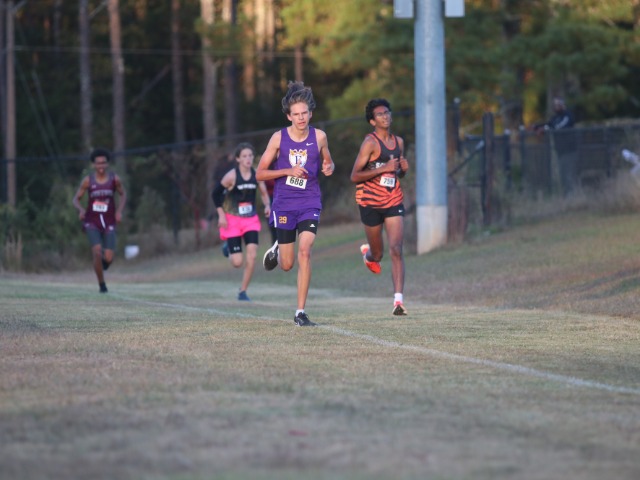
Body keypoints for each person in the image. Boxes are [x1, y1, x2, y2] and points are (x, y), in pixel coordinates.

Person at [256, 81, 335, 327]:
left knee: (305, 251)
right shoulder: (278, 138)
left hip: (310, 200)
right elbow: (260, 173)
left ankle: (300, 312)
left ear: (310, 113)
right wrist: (287, 170)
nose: (301, 118)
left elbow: (328, 161)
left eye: (304, 113)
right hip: (284, 203)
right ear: (289, 116)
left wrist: (329, 166)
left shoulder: (319, 136)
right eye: (296, 114)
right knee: (287, 265)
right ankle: (278, 248)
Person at [350, 98, 409, 316]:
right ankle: (369, 255)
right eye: (380, 114)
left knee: (396, 248)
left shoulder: (399, 142)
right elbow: (354, 176)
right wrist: (382, 168)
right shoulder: (370, 143)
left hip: (393, 199)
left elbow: (397, 172)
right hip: (370, 202)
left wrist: (403, 170)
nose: (385, 116)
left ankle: (398, 301)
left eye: (387, 112)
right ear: (372, 121)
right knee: (379, 254)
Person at [212, 142, 271, 301]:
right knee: (237, 262)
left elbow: (264, 193)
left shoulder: (257, 175)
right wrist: (221, 215)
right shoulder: (231, 176)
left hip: (250, 220)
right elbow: (215, 194)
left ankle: (243, 291)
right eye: (244, 156)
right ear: (238, 159)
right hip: (232, 220)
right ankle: (228, 248)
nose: (248, 159)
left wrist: (267, 206)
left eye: (250, 155)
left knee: (252, 256)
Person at [72, 148, 127, 293]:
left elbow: (123, 194)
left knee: (108, 258)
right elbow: (75, 199)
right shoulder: (88, 181)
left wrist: (119, 211)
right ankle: (102, 285)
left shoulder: (114, 179)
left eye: (103, 163)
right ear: (93, 165)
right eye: (98, 163)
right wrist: (81, 210)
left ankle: (103, 264)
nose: (101, 166)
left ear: (107, 164)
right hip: (92, 221)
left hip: (109, 221)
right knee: (97, 251)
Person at [535, 97, 577, 194]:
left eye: (558, 104)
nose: (556, 107)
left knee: (568, 174)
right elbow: (549, 125)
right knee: (562, 175)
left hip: (569, 151)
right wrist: (537, 127)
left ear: (563, 105)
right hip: (560, 151)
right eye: (555, 105)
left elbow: (559, 127)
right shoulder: (555, 118)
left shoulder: (568, 115)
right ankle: (566, 195)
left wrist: (546, 129)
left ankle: (572, 195)